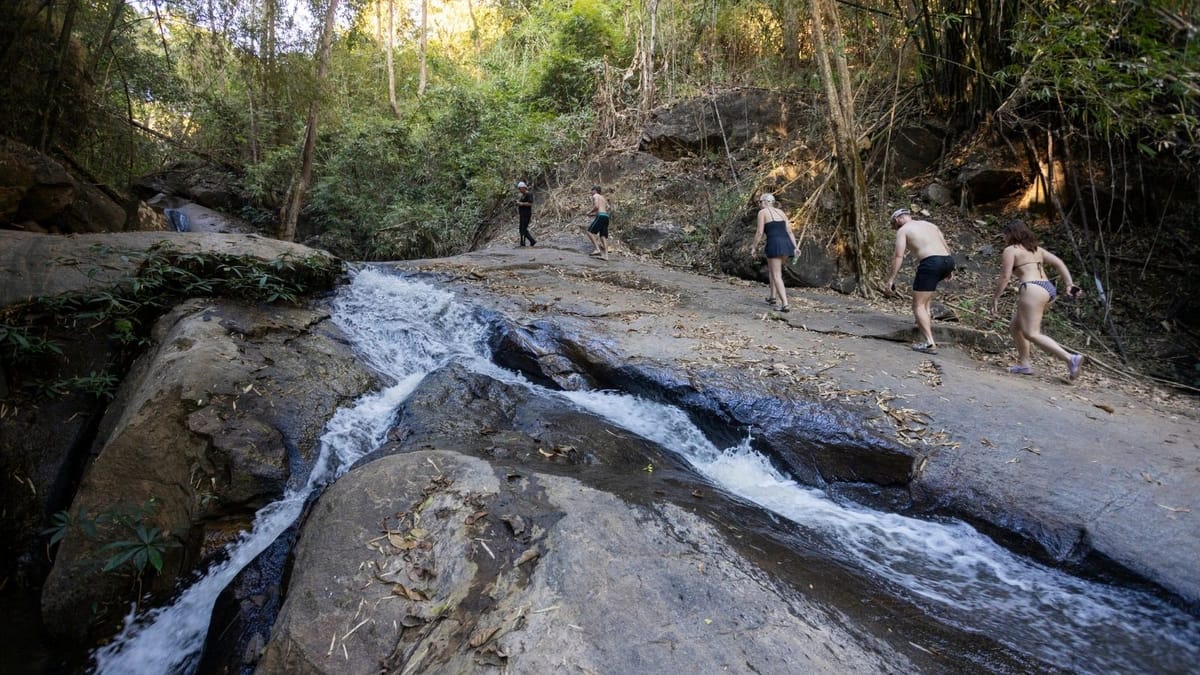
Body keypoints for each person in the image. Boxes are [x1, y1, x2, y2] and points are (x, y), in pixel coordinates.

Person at [991, 219, 1085, 380]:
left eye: (1005, 235)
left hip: (1032, 289)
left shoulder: (1010, 250)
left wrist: (995, 298)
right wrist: (1069, 284)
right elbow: (1059, 263)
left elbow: (1005, 276)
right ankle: (1024, 364)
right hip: (1048, 289)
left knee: (1031, 333)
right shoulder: (1037, 250)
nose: (1004, 239)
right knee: (1015, 327)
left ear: (1010, 234)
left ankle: (1070, 359)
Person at [884, 208, 956, 353]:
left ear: (898, 220)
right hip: (947, 261)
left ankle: (930, 343)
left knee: (918, 305)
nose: (896, 227)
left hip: (931, 263)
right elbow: (946, 247)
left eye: (894, 225)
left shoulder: (904, 230)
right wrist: (949, 269)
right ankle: (925, 329)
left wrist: (890, 279)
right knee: (925, 301)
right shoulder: (930, 225)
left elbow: (899, 256)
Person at [748, 193, 797, 312]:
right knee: (773, 270)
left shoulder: (762, 212)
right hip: (786, 245)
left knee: (776, 275)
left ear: (765, 202)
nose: (759, 204)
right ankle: (772, 297)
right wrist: (795, 247)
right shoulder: (781, 212)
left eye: (760, 202)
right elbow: (789, 231)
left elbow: (759, 232)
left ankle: (785, 304)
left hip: (774, 244)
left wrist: (753, 247)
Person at [585, 186, 611, 260]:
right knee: (603, 236)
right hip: (606, 216)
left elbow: (596, 206)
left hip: (601, 216)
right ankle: (606, 256)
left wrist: (589, 212)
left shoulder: (595, 196)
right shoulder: (603, 198)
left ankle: (597, 249)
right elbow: (607, 208)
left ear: (595, 191)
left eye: (592, 190)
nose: (591, 192)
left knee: (589, 232)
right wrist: (593, 214)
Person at [516, 181, 535, 247]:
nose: (519, 190)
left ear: (524, 188)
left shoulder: (528, 194)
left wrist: (521, 204)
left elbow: (530, 203)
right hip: (522, 214)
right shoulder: (523, 195)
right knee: (521, 229)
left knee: (523, 229)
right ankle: (522, 242)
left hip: (526, 214)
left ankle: (532, 241)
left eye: (520, 188)